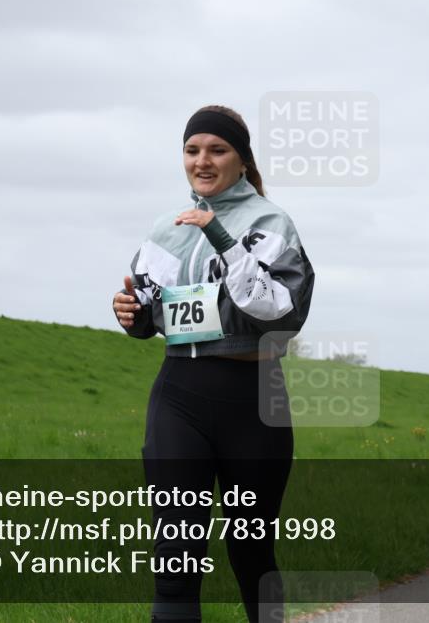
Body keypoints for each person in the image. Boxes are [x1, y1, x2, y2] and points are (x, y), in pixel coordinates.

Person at [112, 105, 315, 623]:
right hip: (179, 397)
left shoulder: (270, 223)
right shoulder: (166, 227)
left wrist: (219, 234)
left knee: (251, 554)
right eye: (192, 150)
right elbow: (151, 309)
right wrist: (132, 314)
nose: (202, 161)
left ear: (242, 160)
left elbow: (276, 310)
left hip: (253, 404)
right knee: (177, 559)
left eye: (217, 150)